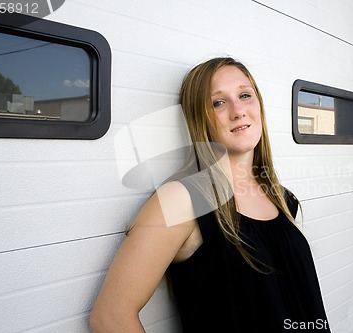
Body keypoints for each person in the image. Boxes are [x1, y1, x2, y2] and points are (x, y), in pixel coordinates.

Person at [89, 57, 330, 332]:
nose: (238, 110)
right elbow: (110, 316)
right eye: (218, 102)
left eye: (244, 95)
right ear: (198, 117)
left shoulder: (282, 198)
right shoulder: (183, 200)